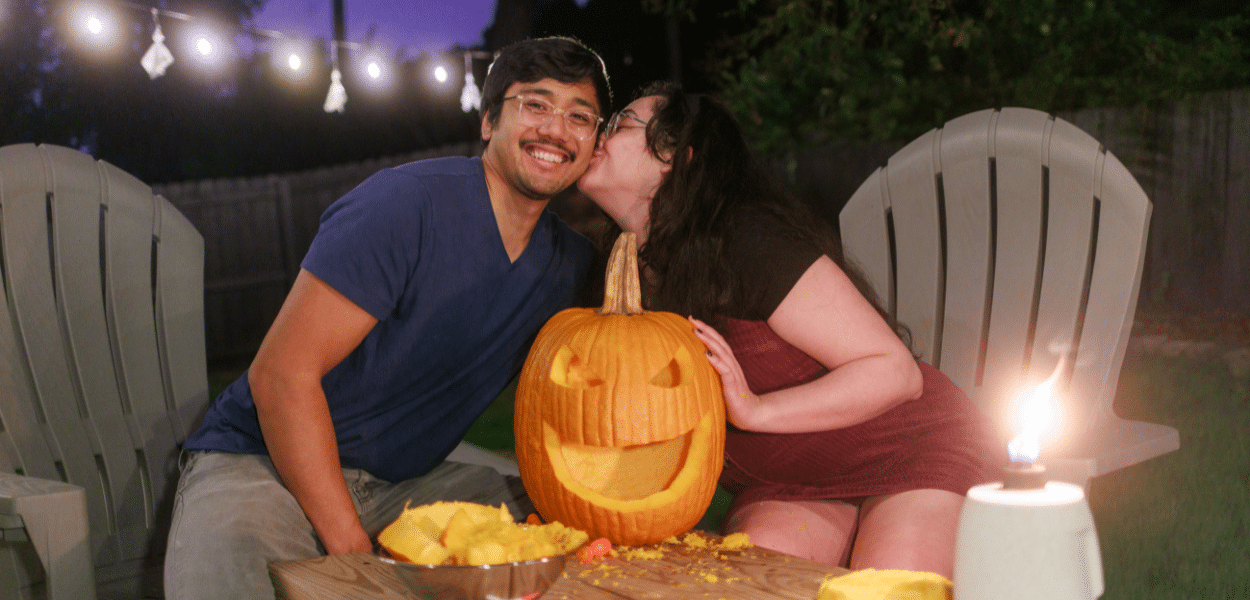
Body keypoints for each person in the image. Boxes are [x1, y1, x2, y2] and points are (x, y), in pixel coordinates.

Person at [164, 37, 610, 600]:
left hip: (406, 483)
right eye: (536, 105)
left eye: (580, 117)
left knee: (563, 533)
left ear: (596, 141)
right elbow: (281, 377)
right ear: (490, 120)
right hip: (265, 462)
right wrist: (352, 549)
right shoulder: (404, 207)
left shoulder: (568, 263)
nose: (556, 129)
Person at [576, 81, 1001, 577]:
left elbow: (894, 372)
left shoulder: (745, 240)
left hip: (912, 448)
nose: (599, 133)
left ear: (679, 160)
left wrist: (756, 410)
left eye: (621, 123)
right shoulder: (618, 277)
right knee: (749, 585)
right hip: (787, 481)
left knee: (890, 589)